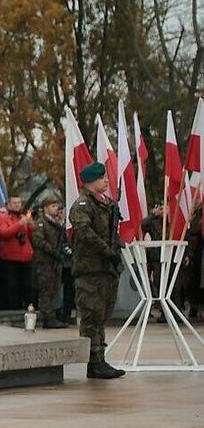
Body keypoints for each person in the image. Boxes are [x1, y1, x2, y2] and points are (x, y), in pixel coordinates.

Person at [69, 162, 126, 379]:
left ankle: (100, 359)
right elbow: (85, 233)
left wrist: (116, 247)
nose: (106, 181)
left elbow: (109, 232)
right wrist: (107, 251)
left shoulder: (106, 204)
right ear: (92, 181)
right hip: (89, 270)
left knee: (102, 316)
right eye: (102, 178)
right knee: (91, 316)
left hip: (105, 270)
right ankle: (93, 362)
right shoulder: (82, 205)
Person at [30, 197, 69, 328]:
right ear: (46, 208)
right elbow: (38, 240)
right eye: (52, 206)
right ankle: (48, 317)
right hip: (45, 261)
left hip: (54, 261)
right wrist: (52, 251)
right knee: (46, 289)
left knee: (54, 289)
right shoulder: (41, 222)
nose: (56, 208)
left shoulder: (55, 222)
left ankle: (53, 315)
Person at [0, 196, 35, 309]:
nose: (17, 205)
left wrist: (31, 226)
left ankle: (29, 307)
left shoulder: (23, 217)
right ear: (8, 204)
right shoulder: (3, 217)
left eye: (19, 202)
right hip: (11, 257)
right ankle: (14, 307)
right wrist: (19, 224)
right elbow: (4, 233)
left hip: (26, 256)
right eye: (14, 203)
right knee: (13, 286)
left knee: (28, 285)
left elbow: (31, 238)